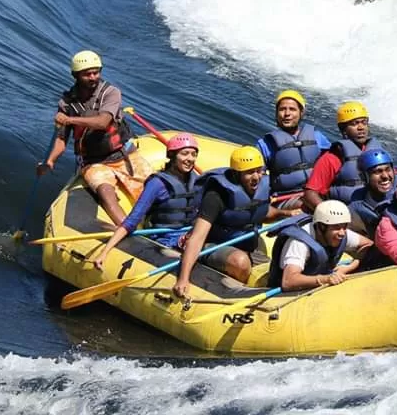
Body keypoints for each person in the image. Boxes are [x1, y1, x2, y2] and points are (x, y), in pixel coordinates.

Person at [37, 50, 153, 226]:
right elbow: (62, 139)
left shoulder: (111, 93)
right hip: (94, 162)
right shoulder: (67, 103)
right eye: (87, 74)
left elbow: (103, 122)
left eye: (96, 72)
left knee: (154, 190)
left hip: (124, 155)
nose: (92, 77)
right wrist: (50, 161)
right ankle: (127, 231)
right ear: (75, 75)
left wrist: (69, 119)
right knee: (105, 192)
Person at [173, 146, 301, 297]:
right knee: (240, 262)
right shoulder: (217, 195)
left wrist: (285, 213)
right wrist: (183, 278)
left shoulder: (260, 187)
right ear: (236, 174)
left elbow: (262, 211)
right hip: (212, 244)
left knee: (275, 268)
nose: (256, 177)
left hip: (245, 242)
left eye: (259, 171)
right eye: (249, 172)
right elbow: (198, 237)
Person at [90, 133, 202, 269]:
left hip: (190, 236)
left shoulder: (195, 179)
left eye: (193, 154)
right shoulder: (157, 184)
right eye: (184, 154)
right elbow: (131, 221)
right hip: (165, 241)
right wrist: (104, 252)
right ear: (172, 156)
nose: (190, 159)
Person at [267, 200, 372, 291]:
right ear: (321, 227)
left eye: (344, 227)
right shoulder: (299, 242)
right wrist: (325, 279)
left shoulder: (341, 233)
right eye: (336, 227)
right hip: (288, 294)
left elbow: (368, 245)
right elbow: (288, 281)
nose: (342, 233)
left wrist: (350, 267)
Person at [303, 101, 386, 211]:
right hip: (349, 214)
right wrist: (329, 214)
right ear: (343, 129)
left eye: (364, 122)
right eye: (354, 123)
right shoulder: (332, 158)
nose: (361, 127)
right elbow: (310, 194)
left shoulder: (377, 153)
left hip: (377, 207)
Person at [255, 90, 331, 207]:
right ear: (276, 114)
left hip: (317, 192)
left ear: (301, 113)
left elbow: (333, 164)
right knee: (310, 206)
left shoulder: (317, 137)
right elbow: (256, 177)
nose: (287, 113)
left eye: (292, 109)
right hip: (286, 198)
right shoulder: (265, 144)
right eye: (282, 109)